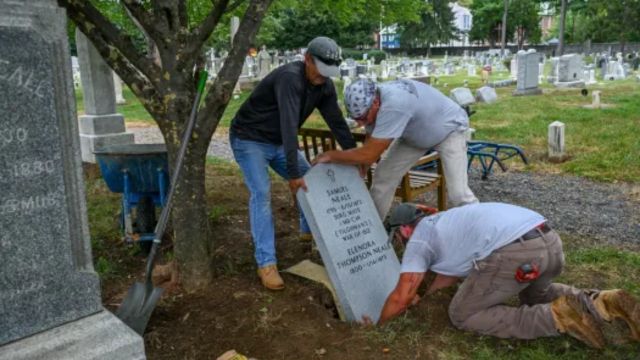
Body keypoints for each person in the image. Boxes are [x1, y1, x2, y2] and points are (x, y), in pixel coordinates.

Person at [370, 202, 640, 349]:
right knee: (537, 295)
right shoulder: (447, 221)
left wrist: (376, 328)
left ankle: (556, 317)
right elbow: (447, 277)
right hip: (548, 241)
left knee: (462, 314)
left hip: (516, 254)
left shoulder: (419, 240)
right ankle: (600, 301)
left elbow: (402, 295)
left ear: (405, 230)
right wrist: (429, 299)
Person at [230, 36, 357, 290]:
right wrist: (292, 173)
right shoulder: (290, 78)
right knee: (261, 193)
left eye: (328, 73)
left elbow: (337, 123)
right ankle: (266, 263)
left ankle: (307, 232)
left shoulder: (324, 86)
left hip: (277, 141)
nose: (323, 77)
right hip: (249, 139)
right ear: (308, 59)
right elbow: (289, 125)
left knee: (312, 182)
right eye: (320, 70)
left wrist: (355, 156)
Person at [314, 78, 478, 220]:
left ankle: (485, 228)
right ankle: (372, 231)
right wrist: (361, 166)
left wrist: (330, 156)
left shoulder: (394, 105)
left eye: (363, 117)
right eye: (356, 119)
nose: (361, 123)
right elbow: (370, 140)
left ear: (376, 103)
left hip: (450, 129)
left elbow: (370, 154)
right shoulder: (374, 101)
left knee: (459, 193)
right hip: (415, 134)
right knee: (383, 177)